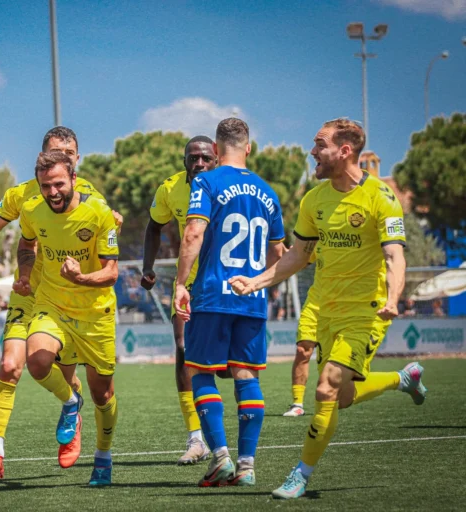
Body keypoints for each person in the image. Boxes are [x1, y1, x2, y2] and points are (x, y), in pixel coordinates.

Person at [228, 119, 426, 499]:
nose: (312, 152)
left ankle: (300, 475)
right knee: (344, 396)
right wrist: (255, 281)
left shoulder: (381, 198)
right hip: (326, 310)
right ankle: (404, 379)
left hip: (366, 311)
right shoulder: (313, 200)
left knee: (326, 387)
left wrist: (393, 298)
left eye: (319, 145)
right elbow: (297, 256)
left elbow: (394, 257)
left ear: (345, 150)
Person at [0, 126, 120, 480]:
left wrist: (112, 226)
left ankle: (83, 424)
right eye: (56, 153)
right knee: (13, 366)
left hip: (86, 303)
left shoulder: (90, 198)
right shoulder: (26, 197)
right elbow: (3, 232)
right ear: (42, 158)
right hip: (34, 296)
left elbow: (109, 235)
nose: (62, 161)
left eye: (69, 155)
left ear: (75, 163)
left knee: (91, 387)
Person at [174, 118, 286, 488]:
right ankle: (248, 466)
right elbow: (278, 254)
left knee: (201, 371)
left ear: (217, 150)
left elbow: (193, 232)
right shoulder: (268, 193)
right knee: (246, 374)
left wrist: (180, 283)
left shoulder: (206, 181)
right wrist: (261, 285)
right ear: (249, 148)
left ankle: (220, 458)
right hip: (252, 297)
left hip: (212, 294)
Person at [16, 151, 120, 486]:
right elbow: (27, 242)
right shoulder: (32, 210)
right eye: (46, 186)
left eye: (59, 183)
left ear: (74, 178)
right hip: (52, 303)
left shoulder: (99, 212)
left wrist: (82, 279)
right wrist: (25, 272)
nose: (53, 192)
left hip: (95, 312)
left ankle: (103, 457)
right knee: (37, 362)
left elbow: (112, 272)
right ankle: (70, 401)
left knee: (102, 394)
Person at [140, 135, 217, 465]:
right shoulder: (170, 189)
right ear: (184, 160)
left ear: (215, 160)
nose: (198, 163)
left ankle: (225, 438)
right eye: (192, 158)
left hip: (223, 283)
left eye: (205, 158)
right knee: (184, 350)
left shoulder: (227, 185)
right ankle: (196, 438)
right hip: (187, 285)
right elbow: (153, 227)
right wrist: (147, 266)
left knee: (227, 367)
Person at [283, 271, 319, 417]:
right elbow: (299, 256)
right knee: (302, 350)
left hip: (344, 305)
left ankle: (395, 379)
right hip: (316, 302)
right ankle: (298, 404)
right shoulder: (317, 246)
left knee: (331, 358)